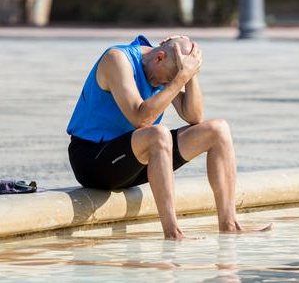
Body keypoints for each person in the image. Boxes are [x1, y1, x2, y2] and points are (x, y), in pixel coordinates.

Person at [66, 35, 271, 240]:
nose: (165, 84)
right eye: (168, 79)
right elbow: (141, 119)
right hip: (93, 161)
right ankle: (172, 232)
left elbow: (194, 116)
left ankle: (229, 224)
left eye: (172, 80)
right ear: (159, 57)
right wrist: (180, 78)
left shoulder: (165, 68)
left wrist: (191, 73)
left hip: (133, 160)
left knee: (218, 130)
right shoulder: (117, 60)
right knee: (158, 133)